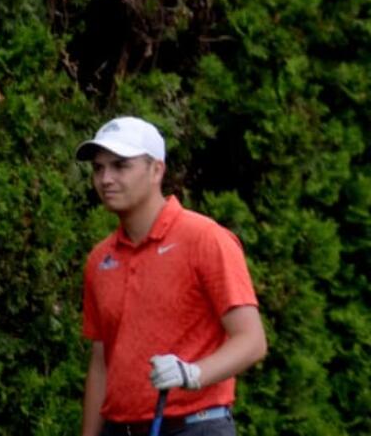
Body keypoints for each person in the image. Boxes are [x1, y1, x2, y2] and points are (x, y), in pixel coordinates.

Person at [77, 116, 267, 436]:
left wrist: (192, 373)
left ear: (156, 171)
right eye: (98, 168)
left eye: (121, 165)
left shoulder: (204, 238)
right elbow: (101, 363)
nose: (105, 178)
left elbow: (252, 341)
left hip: (196, 426)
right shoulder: (100, 259)